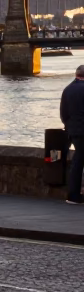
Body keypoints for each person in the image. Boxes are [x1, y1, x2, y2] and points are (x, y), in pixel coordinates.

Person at [60, 64, 84, 204]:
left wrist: (69, 127)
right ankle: (74, 195)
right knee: (78, 160)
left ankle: (73, 195)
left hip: (74, 131)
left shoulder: (67, 89)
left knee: (78, 160)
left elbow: (63, 113)